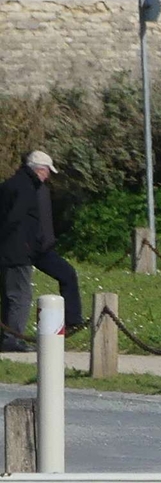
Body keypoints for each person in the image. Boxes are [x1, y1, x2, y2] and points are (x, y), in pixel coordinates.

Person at [0, 149, 66, 352]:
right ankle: (13, 339)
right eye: (47, 171)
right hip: (18, 251)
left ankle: (6, 337)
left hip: (5, 250)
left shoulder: (9, 184)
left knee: (8, 295)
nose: (47, 176)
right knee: (21, 296)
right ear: (39, 170)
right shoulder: (28, 189)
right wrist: (28, 245)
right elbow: (16, 220)